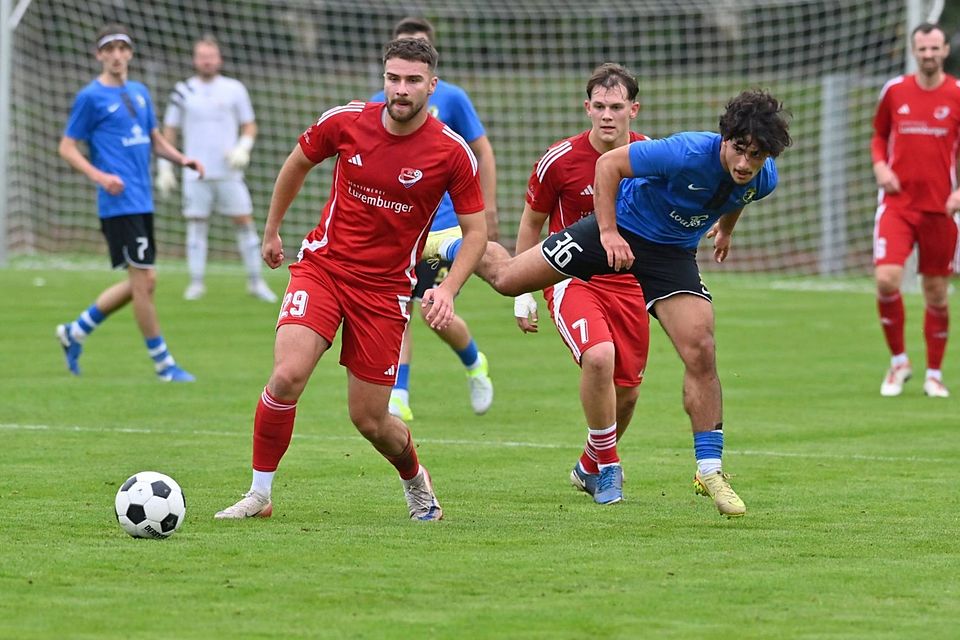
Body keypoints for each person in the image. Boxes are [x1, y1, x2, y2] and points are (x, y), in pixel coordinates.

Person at [439, 89, 792, 517]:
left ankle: (710, 469)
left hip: (671, 256)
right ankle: (453, 244)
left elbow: (740, 194)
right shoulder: (683, 153)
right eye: (739, 150)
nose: (744, 163)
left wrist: (726, 230)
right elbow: (608, 165)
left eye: (755, 156)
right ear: (725, 139)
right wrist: (607, 232)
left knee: (701, 348)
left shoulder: (762, 177)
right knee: (508, 279)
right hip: (616, 232)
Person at [214, 37, 486, 522]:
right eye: (393, 78)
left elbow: (477, 231)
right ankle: (259, 495)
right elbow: (297, 163)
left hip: (384, 292)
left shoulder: (450, 152)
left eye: (412, 81)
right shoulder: (345, 121)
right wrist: (272, 230)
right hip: (324, 268)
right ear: (383, 78)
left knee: (371, 420)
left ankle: (415, 481)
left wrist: (446, 288)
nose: (400, 90)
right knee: (287, 375)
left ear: (432, 85)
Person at [514, 63, 650, 505]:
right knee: (599, 358)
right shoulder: (559, 160)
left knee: (626, 393)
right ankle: (610, 468)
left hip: (631, 284)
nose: (607, 115)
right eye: (599, 106)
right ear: (586, 108)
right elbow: (532, 223)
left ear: (634, 109)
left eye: (616, 106)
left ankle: (589, 463)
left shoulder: (651, 156)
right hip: (571, 277)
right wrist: (523, 291)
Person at [55, 24, 204, 382]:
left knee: (144, 282)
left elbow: (153, 139)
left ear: (130, 54)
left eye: (123, 48)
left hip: (142, 200)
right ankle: (164, 364)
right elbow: (66, 147)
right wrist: (101, 177)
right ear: (99, 55)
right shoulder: (90, 98)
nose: (118, 55)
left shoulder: (139, 92)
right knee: (144, 281)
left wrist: (182, 159)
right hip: (118, 203)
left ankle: (75, 331)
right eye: (110, 49)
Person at [370, 17, 496, 422]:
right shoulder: (378, 103)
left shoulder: (454, 100)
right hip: (397, 227)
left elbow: (481, 150)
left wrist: (486, 206)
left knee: (432, 312)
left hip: (441, 226)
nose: (404, 84)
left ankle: (475, 363)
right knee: (400, 308)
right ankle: (399, 394)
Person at [871, 22, 960, 399]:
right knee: (887, 279)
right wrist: (880, 167)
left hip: (941, 209)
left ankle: (934, 374)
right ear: (914, 50)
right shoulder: (895, 91)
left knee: (936, 293)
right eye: (922, 49)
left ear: (944, 51)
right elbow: (879, 136)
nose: (928, 55)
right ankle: (899, 362)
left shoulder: (957, 94)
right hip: (898, 205)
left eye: (934, 49)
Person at [156, 35, 277, 303]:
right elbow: (169, 131)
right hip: (195, 171)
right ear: (195, 59)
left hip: (228, 171)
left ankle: (256, 282)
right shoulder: (182, 90)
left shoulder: (234, 89)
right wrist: (165, 167)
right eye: (202, 56)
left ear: (219, 59)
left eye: (211, 56)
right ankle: (196, 283)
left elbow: (249, 125)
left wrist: (242, 147)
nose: (207, 61)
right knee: (196, 224)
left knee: (244, 222)